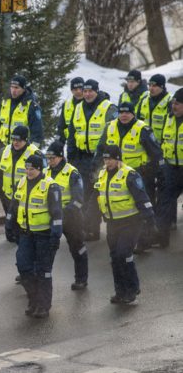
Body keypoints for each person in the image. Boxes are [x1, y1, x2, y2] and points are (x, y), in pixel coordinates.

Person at [93, 102, 165, 252]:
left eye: (127, 112)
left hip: (139, 175)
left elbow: (157, 153)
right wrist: (96, 167)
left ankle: (144, 241)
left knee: (142, 207)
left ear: (133, 114)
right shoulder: (110, 127)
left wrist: (151, 171)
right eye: (121, 112)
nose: (124, 115)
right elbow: (100, 149)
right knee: (122, 206)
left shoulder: (142, 129)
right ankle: (127, 241)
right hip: (115, 174)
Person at [94, 145, 155, 304]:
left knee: (123, 254)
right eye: (105, 159)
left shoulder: (130, 175)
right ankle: (120, 291)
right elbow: (96, 197)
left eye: (111, 159)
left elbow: (142, 198)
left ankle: (132, 288)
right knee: (115, 258)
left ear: (118, 159)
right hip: (112, 223)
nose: (107, 162)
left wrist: (150, 221)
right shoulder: (102, 175)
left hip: (131, 222)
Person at [5, 154, 63, 318]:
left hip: (44, 235)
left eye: (32, 169)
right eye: (27, 168)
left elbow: (57, 214)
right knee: (23, 267)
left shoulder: (50, 187)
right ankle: (34, 299)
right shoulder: (21, 183)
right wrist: (9, 224)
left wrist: (55, 236)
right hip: (26, 234)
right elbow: (13, 206)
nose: (28, 172)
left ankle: (43, 305)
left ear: (40, 169)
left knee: (43, 272)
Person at [67, 78, 118, 241]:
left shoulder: (108, 108)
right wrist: (71, 157)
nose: (87, 94)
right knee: (83, 193)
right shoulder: (78, 107)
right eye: (85, 91)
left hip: (101, 159)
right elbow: (72, 134)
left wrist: (104, 158)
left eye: (91, 91)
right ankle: (89, 229)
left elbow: (112, 133)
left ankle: (96, 228)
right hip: (82, 158)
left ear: (97, 91)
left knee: (96, 194)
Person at [44, 141, 87, 290]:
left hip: (71, 218)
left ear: (61, 157)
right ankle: (41, 280)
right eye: (48, 158)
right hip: (51, 218)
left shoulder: (72, 173)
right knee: (47, 250)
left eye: (53, 158)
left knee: (77, 248)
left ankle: (81, 278)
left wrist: (63, 213)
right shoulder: (45, 172)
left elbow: (78, 200)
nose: (50, 161)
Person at [0, 75, 44, 162]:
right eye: (12, 87)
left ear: (23, 89)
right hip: (3, 147)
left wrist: (33, 152)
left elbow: (37, 133)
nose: (13, 90)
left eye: (17, 88)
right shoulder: (4, 102)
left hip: (22, 149)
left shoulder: (31, 106)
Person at [156, 88, 183, 247]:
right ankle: (161, 237)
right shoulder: (169, 118)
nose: (174, 106)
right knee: (165, 202)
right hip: (171, 168)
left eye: (178, 104)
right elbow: (162, 142)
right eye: (173, 102)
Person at [0, 125, 40, 223]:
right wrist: (0, 193)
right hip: (7, 197)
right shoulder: (4, 151)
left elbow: (42, 177)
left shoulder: (35, 153)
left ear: (25, 140)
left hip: (25, 198)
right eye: (13, 139)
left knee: (24, 228)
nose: (15, 142)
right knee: (10, 230)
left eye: (19, 140)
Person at [137, 74, 172, 142]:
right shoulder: (144, 100)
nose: (151, 88)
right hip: (144, 143)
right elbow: (137, 121)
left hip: (161, 144)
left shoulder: (169, 102)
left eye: (154, 86)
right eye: (149, 85)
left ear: (162, 87)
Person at [57, 77, 84, 144]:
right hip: (71, 144)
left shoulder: (91, 103)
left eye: (81, 88)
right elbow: (61, 127)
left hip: (87, 144)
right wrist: (58, 143)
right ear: (71, 90)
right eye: (75, 89)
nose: (78, 91)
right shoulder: (66, 105)